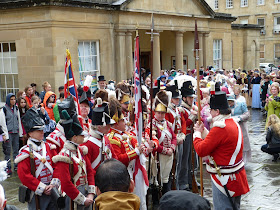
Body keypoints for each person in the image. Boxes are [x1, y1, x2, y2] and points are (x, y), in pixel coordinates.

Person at [193, 84, 250, 210]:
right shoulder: (231, 122)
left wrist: (197, 133)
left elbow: (201, 150)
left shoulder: (220, 127)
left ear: (217, 111)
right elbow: (218, 142)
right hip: (236, 176)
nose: (210, 112)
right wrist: (203, 132)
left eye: (211, 110)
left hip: (224, 179)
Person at [14, 107, 58, 210]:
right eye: (38, 130)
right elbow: (24, 176)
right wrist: (42, 188)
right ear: (30, 133)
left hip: (52, 190)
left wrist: (53, 184)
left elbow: (57, 166)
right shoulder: (25, 152)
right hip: (37, 193)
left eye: (42, 129)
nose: (42, 132)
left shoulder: (48, 147)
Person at [52, 112, 95, 210]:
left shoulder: (80, 151)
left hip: (86, 193)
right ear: (75, 138)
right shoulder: (63, 157)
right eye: (81, 135)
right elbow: (66, 184)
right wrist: (82, 199)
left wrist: (91, 193)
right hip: (72, 197)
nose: (84, 137)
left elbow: (89, 171)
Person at [148, 90, 177, 195]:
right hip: (158, 157)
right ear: (155, 112)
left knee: (167, 181)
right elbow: (152, 143)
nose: (160, 115)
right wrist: (165, 150)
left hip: (169, 156)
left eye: (162, 113)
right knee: (157, 182)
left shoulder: (168, 124)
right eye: (158, 113)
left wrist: (172, 149)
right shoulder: (151, 125)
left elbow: (173, 137)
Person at [82, 98, 116, 171]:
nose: (110, 126)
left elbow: (114, 158)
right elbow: (88, 169)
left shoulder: (105, 139)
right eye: (107, 124)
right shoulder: (87, 143)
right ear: (99, 126)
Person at [178, 81, 198, 191]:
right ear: (184, 98)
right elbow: (183, 124)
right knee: (184, 160)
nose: (192, 99)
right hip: (185, 137)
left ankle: (191, 180)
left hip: (192, 136)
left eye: (192, 97)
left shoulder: (192, 108)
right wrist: (192, 117)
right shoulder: (182, 109)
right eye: (190, 98)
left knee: (193, 160)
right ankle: (183, 182)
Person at [0, 93, 23, 174]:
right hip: (8, 133)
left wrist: (20, 133)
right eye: (11, 99)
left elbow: (18, 120)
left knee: (16, 150)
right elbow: (2, 123)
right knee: (7, 151)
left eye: (14, 99)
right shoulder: (4, 109)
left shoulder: (16, 108)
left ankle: (16, 165)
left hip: (15, 132)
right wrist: (4, 135)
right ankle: (8, 167)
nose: (13, 101)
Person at [228, 96, 251, 164]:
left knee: (243, 141)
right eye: (228, 102)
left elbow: (247, 114)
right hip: (231, 127)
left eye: (231, 102)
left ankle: (244, 160)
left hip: (241, 125)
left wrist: (239, 118)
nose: (230, 104)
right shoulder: (227, 106)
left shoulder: (241, 104)